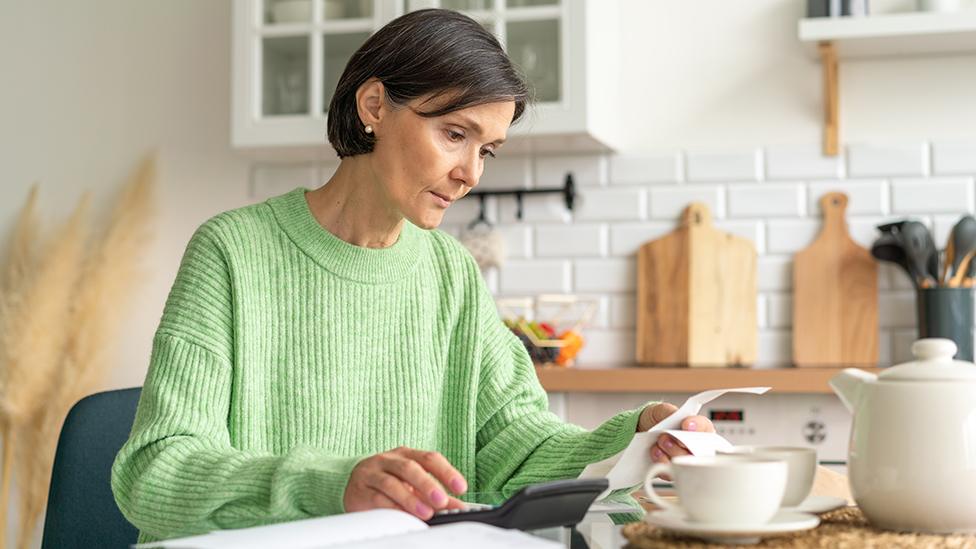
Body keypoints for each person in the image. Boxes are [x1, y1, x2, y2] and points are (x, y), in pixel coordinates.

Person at [111, 9, 713, 543]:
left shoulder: (450, 271)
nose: (470, 172)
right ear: (374, 106)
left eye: (487, 149)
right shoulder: (234, 252)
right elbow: (156, 471)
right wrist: (335, 486)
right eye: (455, 134)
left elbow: (516, 446)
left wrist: (633, 443)